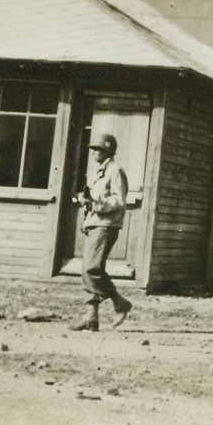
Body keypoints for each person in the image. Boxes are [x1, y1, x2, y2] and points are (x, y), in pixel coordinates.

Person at [70, 134, 133, 331]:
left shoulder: (115, 171)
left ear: (107, 151)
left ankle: (120, 302)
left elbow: (118, 200)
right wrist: (86, 202)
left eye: (97, 150)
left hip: (106, 225)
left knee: (92, 269)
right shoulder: (99, 172)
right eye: (93, 150)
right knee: (88, 270)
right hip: (95, 224)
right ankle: (91, 317)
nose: (94, 153)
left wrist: (95, 204)